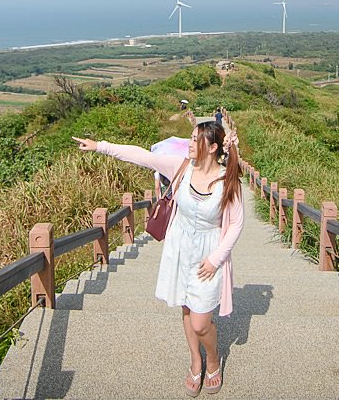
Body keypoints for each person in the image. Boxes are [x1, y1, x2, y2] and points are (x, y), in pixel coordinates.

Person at [73, 120, 243, 396]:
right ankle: (195, 361)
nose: (188, 143)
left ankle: (212, 359)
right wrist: (99, 146)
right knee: (186, 308)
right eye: (190, 137)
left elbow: (235, 224)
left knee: (202, 321)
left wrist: (216, 259)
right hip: (179, 248)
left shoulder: (227, 180)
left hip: (208, 254)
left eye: (194, 139)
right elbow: (142, 156)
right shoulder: (182, 167)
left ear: (212, 148)